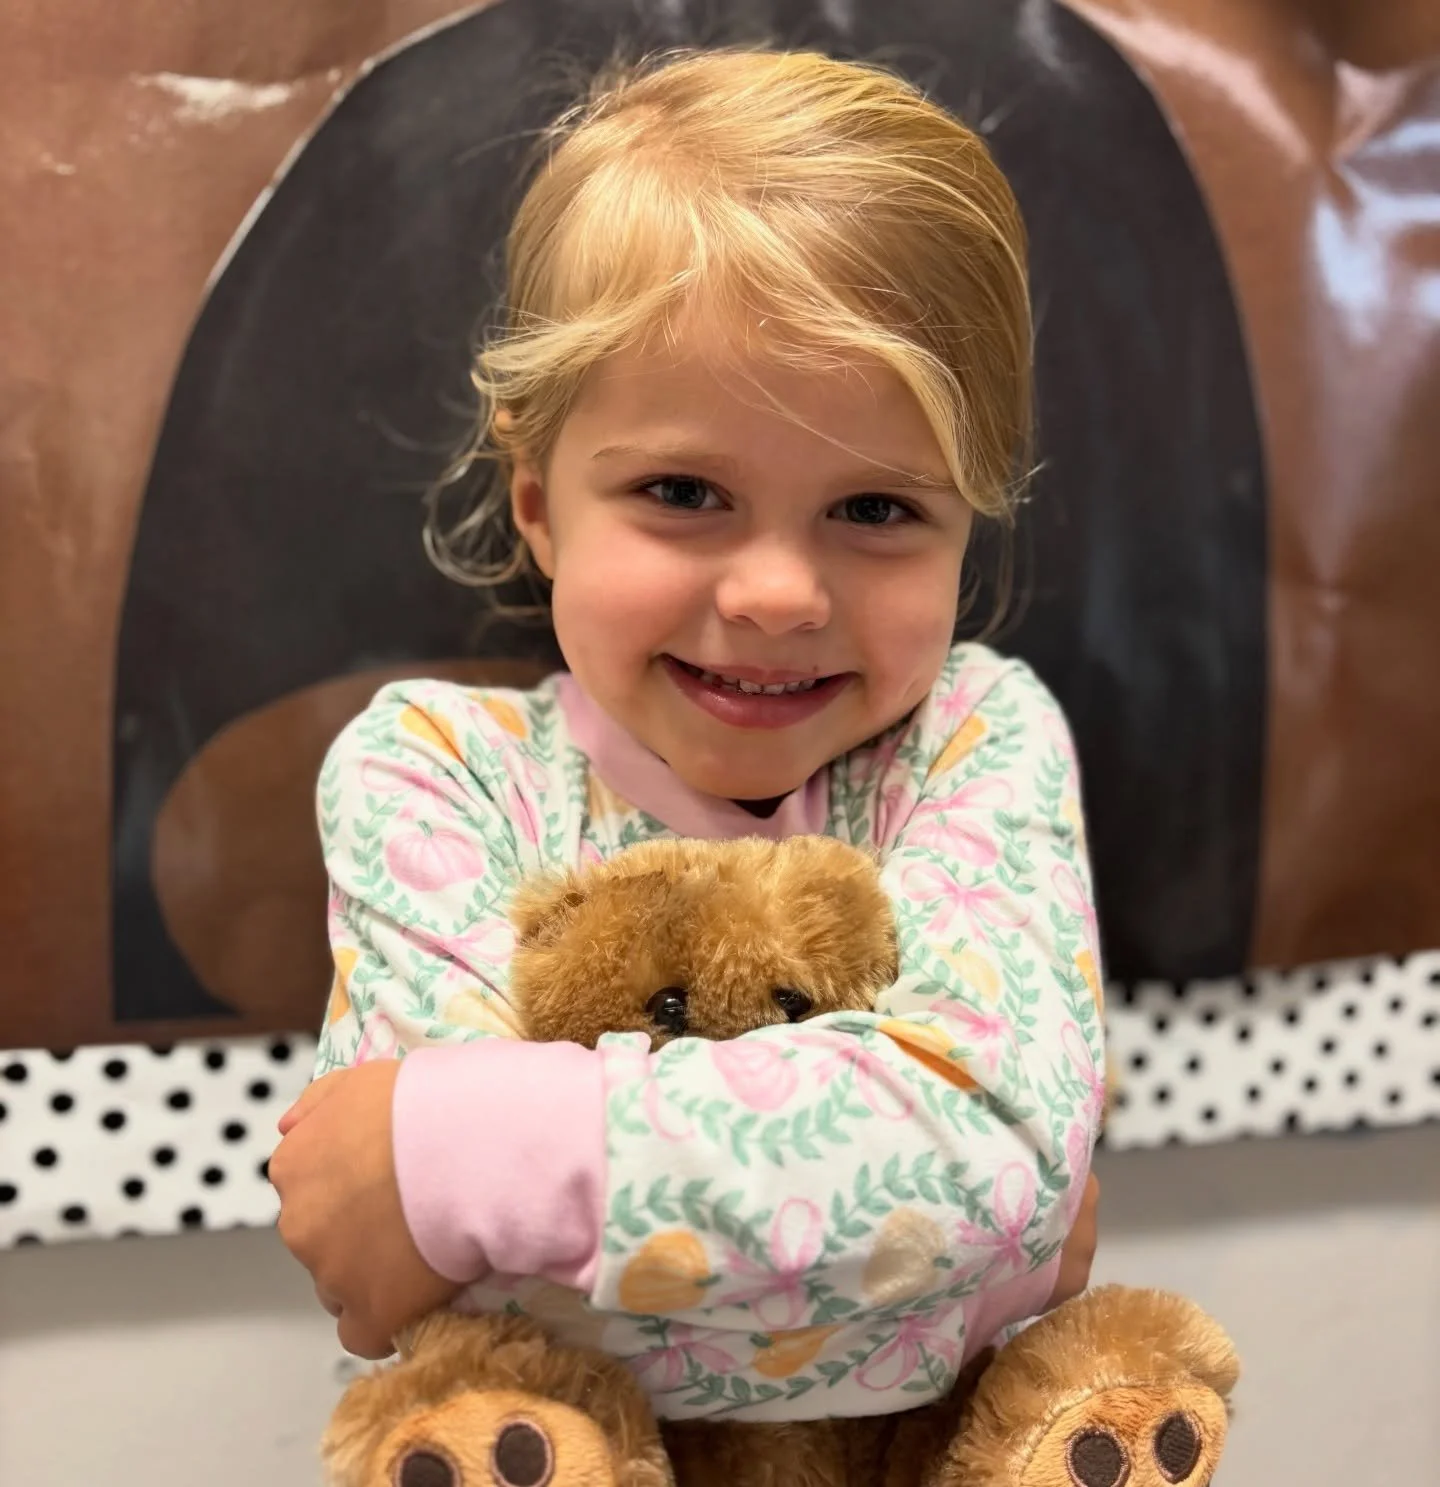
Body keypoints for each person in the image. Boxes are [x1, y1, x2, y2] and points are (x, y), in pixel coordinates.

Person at [270, 46, 1103, 1424]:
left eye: (878, 509)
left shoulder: (974, 734)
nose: (777, 592)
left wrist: (455, 1154)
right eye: (684, 489)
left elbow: (1004, 1168)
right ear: (538, 500)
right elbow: (449, 1311)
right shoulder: (431, 771)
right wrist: (935, 1261)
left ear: (970, 521)